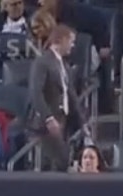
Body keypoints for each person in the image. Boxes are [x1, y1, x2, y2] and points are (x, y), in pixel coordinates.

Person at [28, 24, 83, 172]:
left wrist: (81, 121)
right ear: (61, 40)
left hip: (63, 119)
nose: (73, 45)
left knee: (62, 162)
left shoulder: (63, 64)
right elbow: (36, 92)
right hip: (48, 123)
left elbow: (70, 94)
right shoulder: (42, 62)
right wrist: (48, 118)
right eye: (71, 41)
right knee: (58, 161)